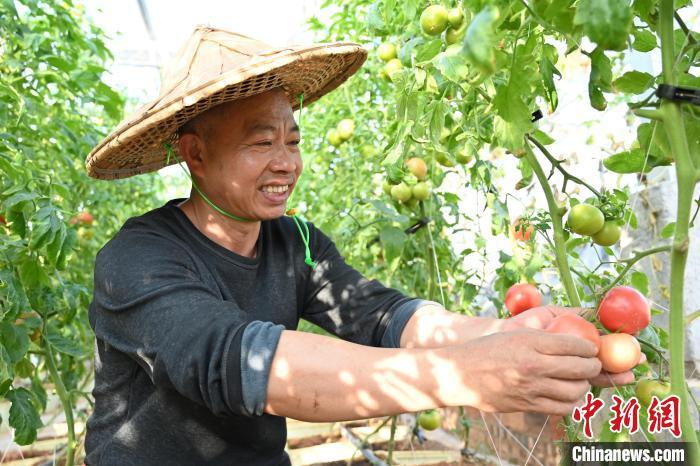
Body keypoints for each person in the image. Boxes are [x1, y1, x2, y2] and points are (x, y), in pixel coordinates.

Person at [83, 27, 636, 465]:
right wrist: (462, 373)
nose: (285, 163)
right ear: (194, 154)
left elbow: (382, 315)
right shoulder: (136, 261)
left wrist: (504, 335)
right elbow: (236, 362)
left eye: (292, 141)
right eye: (260, 142)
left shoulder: (294, 241)